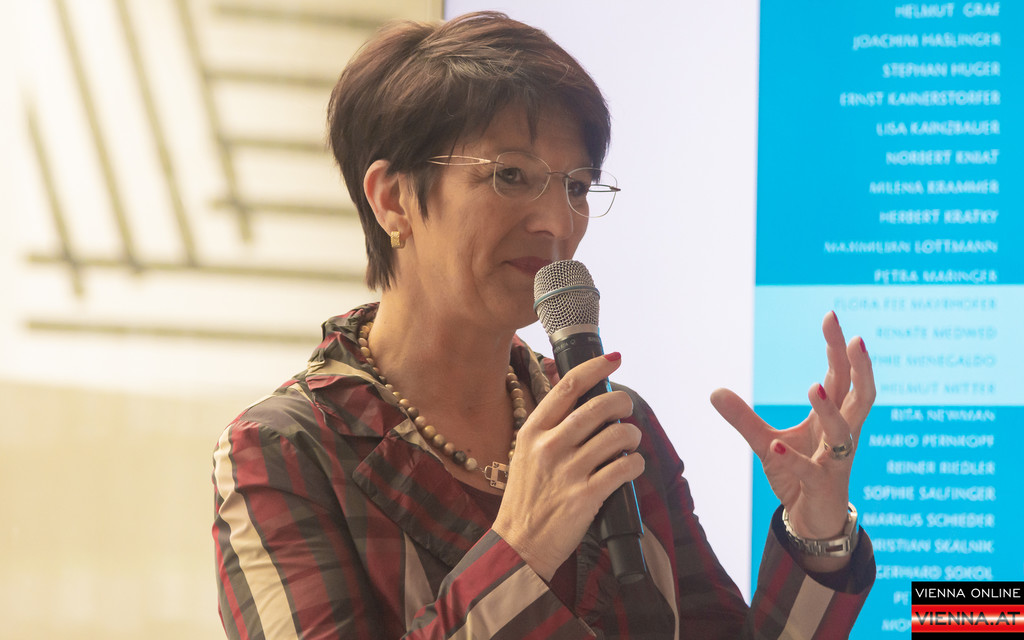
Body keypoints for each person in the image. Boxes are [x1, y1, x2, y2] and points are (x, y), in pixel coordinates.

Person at [212, 11, 876, 639]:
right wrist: (521, 547)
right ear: (393, 199)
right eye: (510, 176)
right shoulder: (283, 451)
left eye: (577, 187)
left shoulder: (613, 422)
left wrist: (816, 534)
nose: (557, 223)